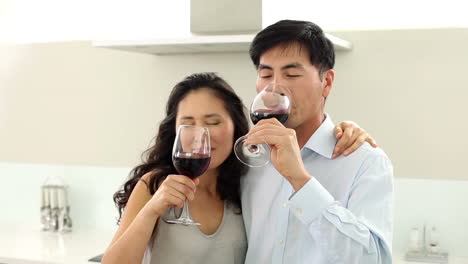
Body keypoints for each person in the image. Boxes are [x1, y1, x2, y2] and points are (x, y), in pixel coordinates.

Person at [101, 72, 377, 264]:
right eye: (189, 123)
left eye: (213, 122)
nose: (201, 136)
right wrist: (152, 209)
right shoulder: (155, 185)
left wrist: (344, 130)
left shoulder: (247, 182)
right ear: (174, 130)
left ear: (236, 126)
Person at [241, 19, 394, 264]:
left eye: (291, 74)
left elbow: (371, 260)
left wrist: (301, 181)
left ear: (327, 82)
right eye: (266, 74)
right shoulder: (249, 158)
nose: (275, 87)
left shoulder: (365, 161)